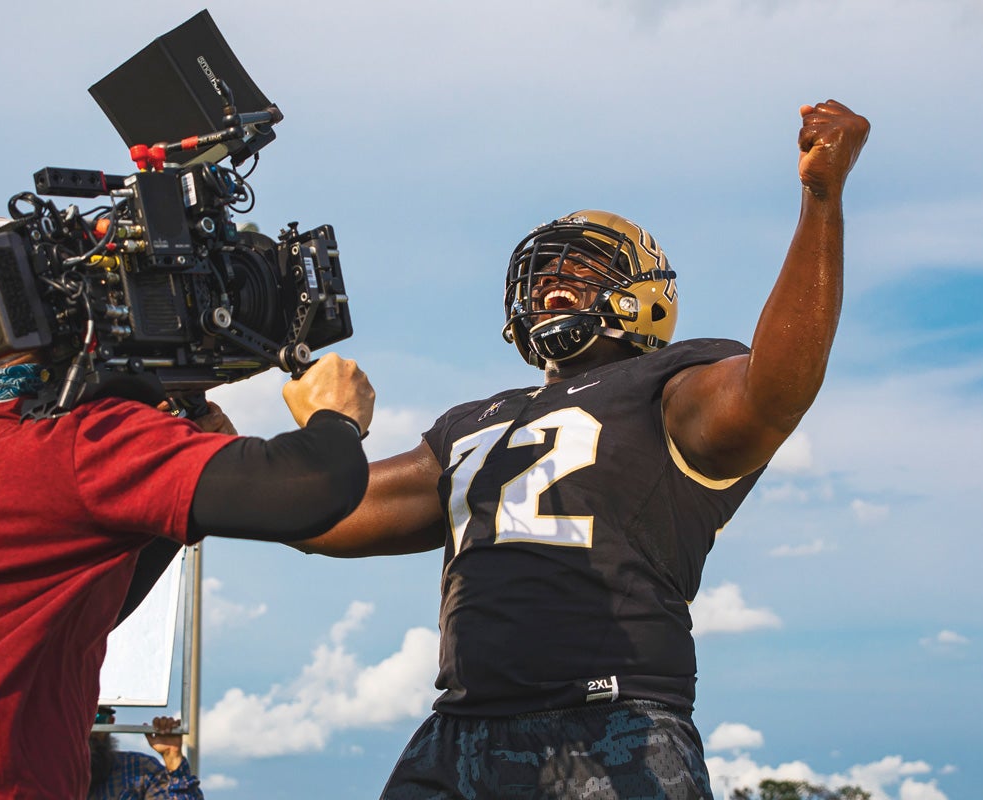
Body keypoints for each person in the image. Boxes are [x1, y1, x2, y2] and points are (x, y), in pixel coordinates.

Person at [290, 100, 870, 799]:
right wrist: (263, 433)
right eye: (541, 275)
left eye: (584, 266)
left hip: (610, 718)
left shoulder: (666, 382)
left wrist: (820, 201)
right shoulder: (473, 421)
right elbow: (320, 514)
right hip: (458, 731)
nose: (552, 281)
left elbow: (776, 389)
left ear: (645, 294)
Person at [0, 217, 375, 799]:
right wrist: (336, 414)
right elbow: (315, 484)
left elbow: (78, 604)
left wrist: (173, 497)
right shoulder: (79, 444)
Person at [89, 708, 202, 800]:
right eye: (73, 718)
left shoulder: (139, 770)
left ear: (110, 722)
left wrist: (172, 757)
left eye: (96, 718)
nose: (86, 728)